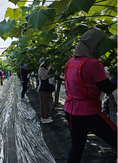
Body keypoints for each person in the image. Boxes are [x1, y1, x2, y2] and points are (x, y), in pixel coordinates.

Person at [64, 27, 117, 163]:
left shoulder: (70, 62)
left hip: (70, 111)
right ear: (95, 45)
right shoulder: (93, 64)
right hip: (88, 113)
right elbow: (108, 88)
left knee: (77, 146)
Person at [38, 57, 56, 124]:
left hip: (46, 89)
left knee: (47, 102)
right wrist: (55, 73)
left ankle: (46, 116)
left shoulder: (44, 68)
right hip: (44, 89)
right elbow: (49, 75)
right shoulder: (42, 69)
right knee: (45, 103)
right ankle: (44, 118)